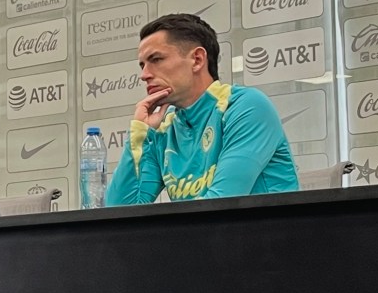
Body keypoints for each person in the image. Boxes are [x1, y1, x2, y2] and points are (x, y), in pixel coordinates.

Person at [105, 13, 299, 205]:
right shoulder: (164, 128)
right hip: (203, 226)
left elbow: (220, 205)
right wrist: (140, 133)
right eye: (142, 65)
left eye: (156, 59)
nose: (144, 75)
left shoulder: (246, 106)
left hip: (262, 227)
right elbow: (119, 212)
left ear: (197, 60)